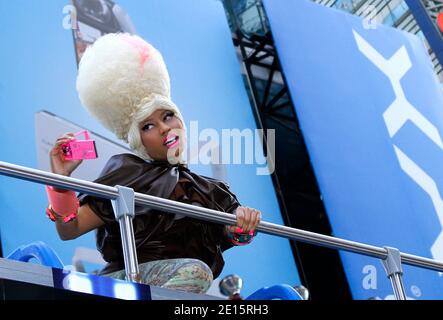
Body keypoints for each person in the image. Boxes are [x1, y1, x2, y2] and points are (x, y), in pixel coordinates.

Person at [45, 33, 261, 294]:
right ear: (139, 140)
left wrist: (243, 226)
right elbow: (70, 229)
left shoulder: (213, 190)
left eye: (168, 116)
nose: (163, 128)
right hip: (125, 282)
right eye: (148, 125)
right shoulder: (126, 173)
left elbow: (230, 236)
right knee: (197, 272)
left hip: (180, 287)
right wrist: (61, 181)